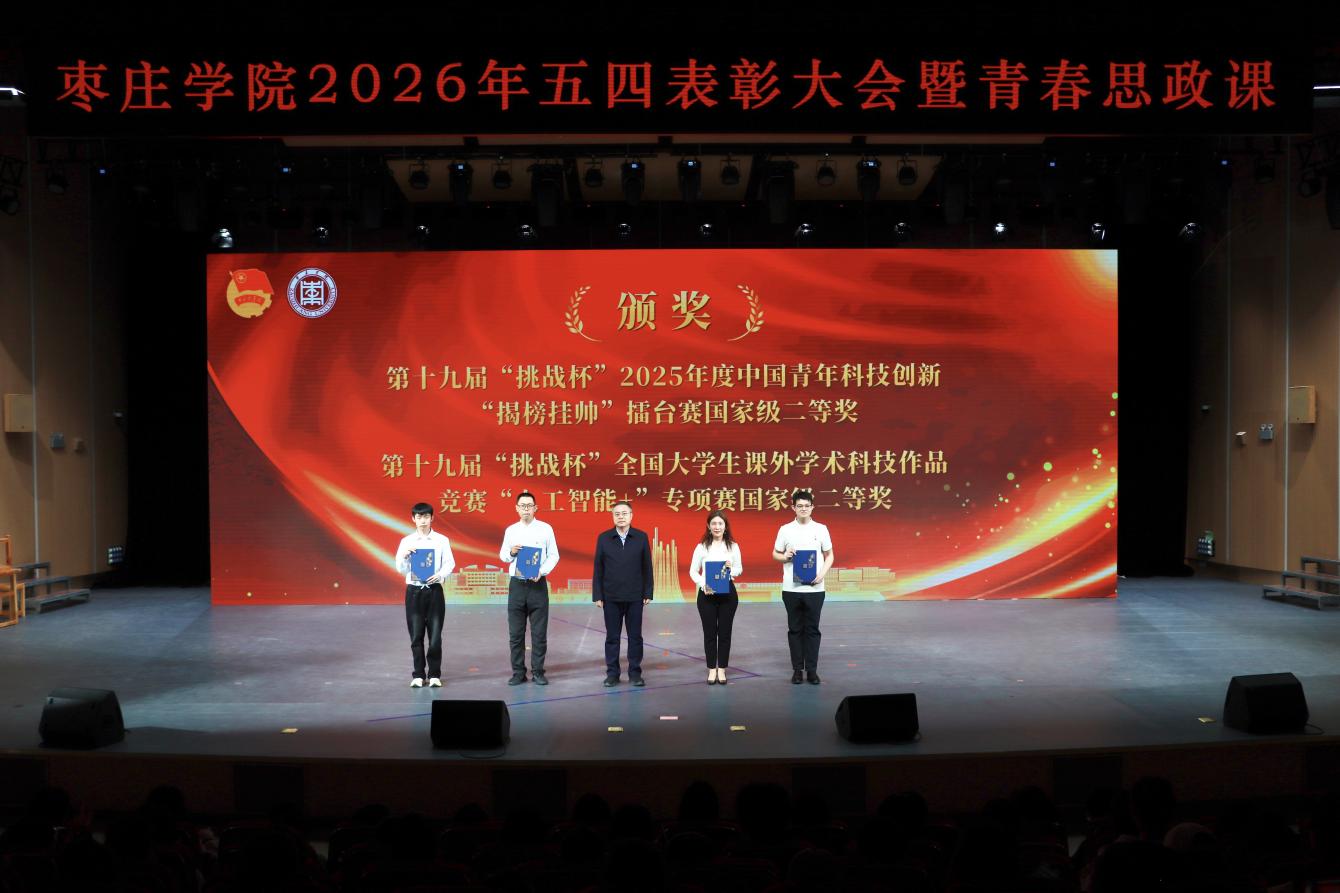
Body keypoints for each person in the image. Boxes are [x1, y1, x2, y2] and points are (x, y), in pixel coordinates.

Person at [772, 489, 833, 684]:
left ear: (812, 507)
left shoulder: (821, 529)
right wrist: (785, 556)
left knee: (813, 629)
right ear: (793, 508)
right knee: (795, 629)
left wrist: (821, 574)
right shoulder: (785, 529)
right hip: (791, 589)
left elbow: (829, 555)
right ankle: (797, 670)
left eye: (807, 505)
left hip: (815, 589)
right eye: (800, 506)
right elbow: (775, 554)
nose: (803, 509)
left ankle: (812, 671)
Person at [498, 491, 560, 685]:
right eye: (522, 506)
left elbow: (554, 555)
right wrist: (511, 552)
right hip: (517, 585)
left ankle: (538, 672)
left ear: (535, 508)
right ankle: (518, 672)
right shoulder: (511, 530)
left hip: (537, 585)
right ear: (516, 508)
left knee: (539, 633)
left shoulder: (545, 529)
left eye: (529, 505)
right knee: (516, 634)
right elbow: (503, 556)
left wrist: (541, 571)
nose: (526, 509)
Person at [394, 502, 456, 688]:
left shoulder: (441, 540)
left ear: (432, 518)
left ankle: (434, 674)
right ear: (413, 519)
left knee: (435, 636)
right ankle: (418, 674)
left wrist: (440, 575)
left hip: (434, 590)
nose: (423, 521)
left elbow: (449, 563)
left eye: (426, 517)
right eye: (419, 517)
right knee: (416, 635)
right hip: (414, 592)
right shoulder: (406, 542)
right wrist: (405, 556)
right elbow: (400, 568)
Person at [592, 501, 654, 687]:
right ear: (613, 516)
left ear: (631, 516)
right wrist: (598, 595)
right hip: (611, 597)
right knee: (612, 637)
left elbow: (647, 566)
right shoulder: (604, 538)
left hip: (635, 596)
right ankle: (612, 674)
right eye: (617, 514)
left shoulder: (641, 537)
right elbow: (598, 568)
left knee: (635, 637)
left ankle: (635, 673)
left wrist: (648, 591)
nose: (621, 517)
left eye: (624, 513)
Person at [688, 510, 743, 686]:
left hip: (728, 595)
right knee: (710, 633)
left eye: (720, 523)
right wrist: (702, 584)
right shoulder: (702, 547)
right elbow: (693, 571)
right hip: (707, 595)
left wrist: (731, 568)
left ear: (725, 526)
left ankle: (722, 669)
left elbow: (739, 569)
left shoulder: (733, 546)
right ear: (708, 526)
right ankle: (712, 668)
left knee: (725, 633)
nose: (717, 527)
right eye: (714, 523)